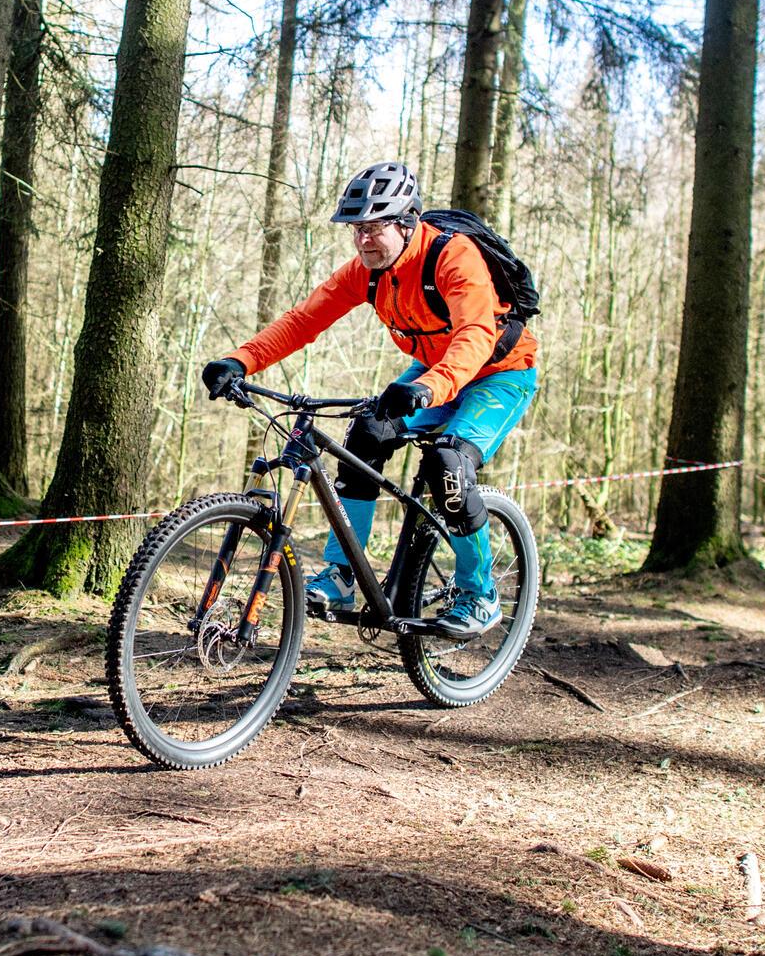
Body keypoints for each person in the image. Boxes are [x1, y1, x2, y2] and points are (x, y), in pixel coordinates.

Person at [199, 161, 538, 636]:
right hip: (433, 370)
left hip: (500, 374)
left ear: (408, 223)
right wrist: (240, 360)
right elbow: (303, 321)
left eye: (375, 227)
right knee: (366, 433)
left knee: (449, 467)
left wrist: (427, 388)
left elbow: (477, 334)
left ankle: (479, 594)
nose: (363, 241)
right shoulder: (367, 272)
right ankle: (341, 574)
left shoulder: (454, 257)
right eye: (357, 229)